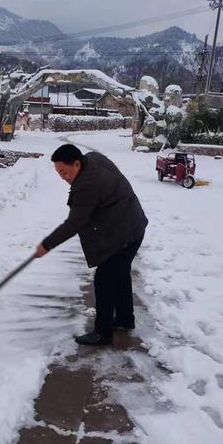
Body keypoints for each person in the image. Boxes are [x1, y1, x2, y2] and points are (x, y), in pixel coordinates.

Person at [35, 144, 148, 346]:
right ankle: (124, 318)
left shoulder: (87, 185)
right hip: (131, 223)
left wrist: (47, 244)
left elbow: (75, 222)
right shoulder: (92, 158)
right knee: (119, 275)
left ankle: (102, 333)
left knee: (105, 280)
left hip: (125, 233)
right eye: (59, 173)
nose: (63, 177)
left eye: (64, 172)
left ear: (77, 164)